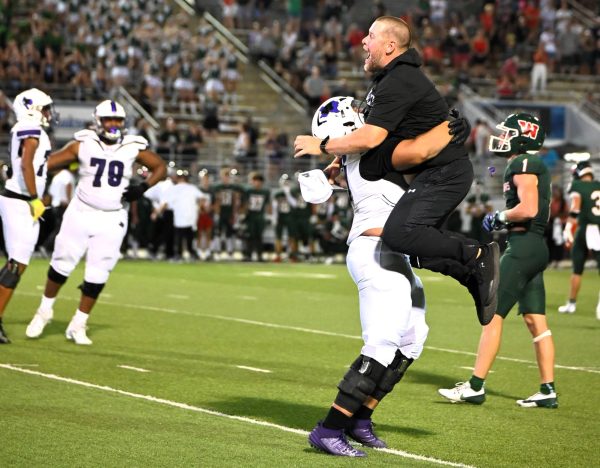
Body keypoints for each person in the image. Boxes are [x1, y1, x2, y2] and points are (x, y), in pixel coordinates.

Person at [294, 16, 499, 326]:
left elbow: (376, 137)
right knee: (417, 248)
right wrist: (336, 163)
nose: (363, 41)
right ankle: (472, 274)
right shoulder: (390, 80)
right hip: (435, 172)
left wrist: (322, 145)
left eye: (371, 36)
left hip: (444, 172)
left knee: (401, 234)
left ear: (390, 46)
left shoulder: (398, 80)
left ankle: (478, 257)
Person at [305, 97, 457, 457]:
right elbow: (416, 152)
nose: (365, 113)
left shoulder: (358, 154)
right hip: (374, 252)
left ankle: (360, 418)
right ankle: (330, 428)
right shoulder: (367, 151)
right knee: (382, 343)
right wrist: (445, 128)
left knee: (413, 338)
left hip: (393, 254)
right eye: (356, 111)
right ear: (344, 124)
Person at [439, 113, 558, 408]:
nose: (502, 137)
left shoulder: (523, 163)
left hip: (523, 245)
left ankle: (475, 386)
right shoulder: (525, 163)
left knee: (492, 314)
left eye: (508, 132)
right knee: (535, 321)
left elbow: (528, 208)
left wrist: (499, 216)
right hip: (534, 245)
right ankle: (547, 390)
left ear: (523, 136)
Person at [25, 100, 166, 345]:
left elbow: (160, 167)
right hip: (80, 211)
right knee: (61, 262)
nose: (114, 125)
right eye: (109, 120)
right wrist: (26, 173)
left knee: (99, 272)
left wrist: (142, 187)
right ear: (98, 121)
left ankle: (79, 323)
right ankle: (44, 311)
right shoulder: (83, 143)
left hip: (112, 217)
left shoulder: (133, 146)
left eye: (118, 121)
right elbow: (47, 165)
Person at [0, 88, 55, 344]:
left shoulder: (32, 129)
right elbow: (25, 164)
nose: (48, 113)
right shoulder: (28, 128)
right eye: (45, 108)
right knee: (14, 266)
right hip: (20, 202)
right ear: (32, 108)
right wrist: (34, 197)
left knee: (18, 265)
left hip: (24, 202)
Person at [558, 161, 600, 316]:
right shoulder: (598, 185)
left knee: (577, 269)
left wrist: (568, 228)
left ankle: (571, 304)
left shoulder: (577, 185)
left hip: (585, 228)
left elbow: (575, 208)